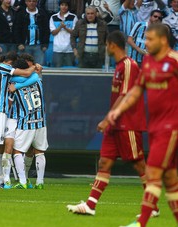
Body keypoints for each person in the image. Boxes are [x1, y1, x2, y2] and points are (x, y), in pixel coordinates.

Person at [67, 30, 160, 217]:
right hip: (116, 125)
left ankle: (153, 207)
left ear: (112, 45)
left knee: (140, 165)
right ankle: (90, 205)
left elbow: (125, 96)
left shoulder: (128, 65)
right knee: (104, 162)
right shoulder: (119, 67)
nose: (105, 48)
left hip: (128, 123)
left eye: (106, 44)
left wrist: (106, 118)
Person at [106, 24, 178, 227]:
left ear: (163, 40)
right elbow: (136, 91)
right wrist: (116, 112)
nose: (144, 43)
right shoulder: (147, 63)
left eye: (149, 39)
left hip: (171, 127)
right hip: (155, 127)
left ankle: (141, 225)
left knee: (153, 172)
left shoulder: (174, 61)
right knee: (171, 178)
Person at [0, 51, 36, 188]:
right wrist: (34, 67)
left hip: (0, 111)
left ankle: (0, 180)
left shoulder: (2, 72)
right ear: (11, 63)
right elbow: (26, 74)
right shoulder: (2, 67)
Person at [8, 58, 48, 189]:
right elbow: (36, 75)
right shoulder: (38, 81)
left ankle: (23, 181)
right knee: (40, 152)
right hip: (41, 122)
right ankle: (40, 182)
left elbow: (10, 102)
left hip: (26, 122)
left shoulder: (13, 85)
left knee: (17, 151)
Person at [13, 0, 50, 65]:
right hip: (24, 46)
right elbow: (16, 30)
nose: (31, 3)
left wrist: (45, 44)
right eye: (29, 1)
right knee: (24, 67)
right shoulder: (21, 14)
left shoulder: (42, 13)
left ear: (36, 2)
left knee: (39, 67)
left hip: (39, 47)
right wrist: (19, 43)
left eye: (33, 1)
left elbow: (46, 30)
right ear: (26, 2)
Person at [49, 0, 78, 67]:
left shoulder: (73, 17)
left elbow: (75, 33)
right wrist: (60, 27)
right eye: (62, 5)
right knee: (57, 70)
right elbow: (53, 32)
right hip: (57, 49)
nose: (64, 7)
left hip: (69, 49)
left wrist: (65, 28)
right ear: (59, 6)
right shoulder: (53, 17)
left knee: (70, 69)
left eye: (66, 5)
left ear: (68, 7)